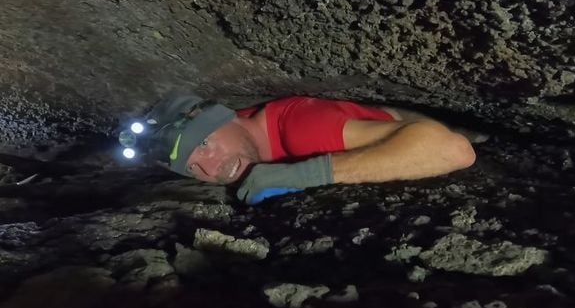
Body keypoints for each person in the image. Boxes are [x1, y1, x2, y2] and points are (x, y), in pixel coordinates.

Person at [142, 94, 477, 205]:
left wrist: (306, 174)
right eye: (192, 168)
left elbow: (453, 150)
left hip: (418, 123)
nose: (211, 169)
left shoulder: (301, 129)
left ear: (228, 118)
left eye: (204, 145)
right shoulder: (238, 133)